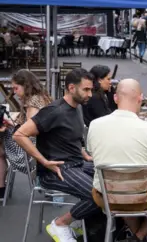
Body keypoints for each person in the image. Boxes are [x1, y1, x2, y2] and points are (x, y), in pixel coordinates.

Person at [89, 79, 147, 242]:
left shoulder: (94, 125)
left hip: (106, 198)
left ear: (116, 98)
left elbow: (93, 156)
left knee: (125, 190)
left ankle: (135, 235)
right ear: (140, 98)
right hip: (140, 197)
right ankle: (139, 236)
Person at [13, 68, 98, 242]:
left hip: (76, 164)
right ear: (72, 88)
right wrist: (44, 161)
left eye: (91, 89)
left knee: (112, 181)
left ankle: (77, 222)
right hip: (56, 169)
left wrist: (85, 155)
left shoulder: (77, 108)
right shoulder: (54, 111)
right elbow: (19, 135)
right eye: (86, 89)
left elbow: (70, 137)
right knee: (96, 194)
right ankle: (60, 223)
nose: (90, 94)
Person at [0, 70, 51, 198]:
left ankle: (1, 189)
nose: (14, 92)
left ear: (26, 86)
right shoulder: (41, 97)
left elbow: (31, 131)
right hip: (42, 147)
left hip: (31, 153)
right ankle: (1, 188)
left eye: (16, 88)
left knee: (0, 148)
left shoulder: (32, 103)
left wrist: (13, 127)